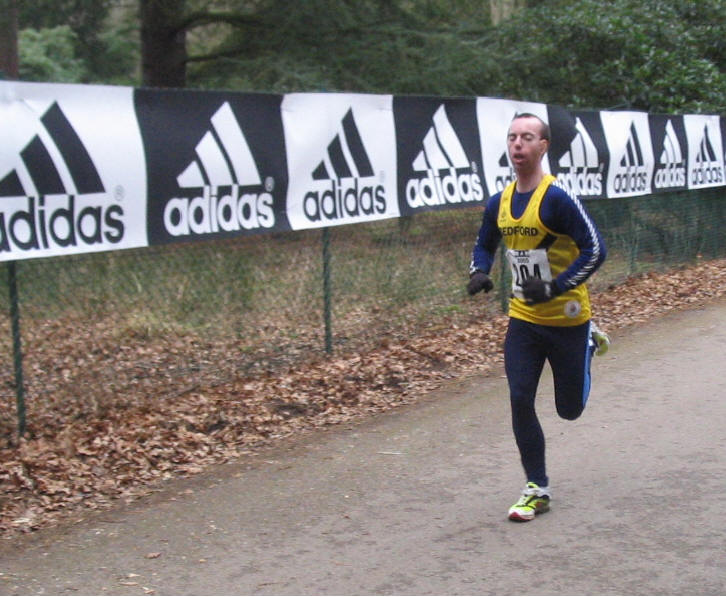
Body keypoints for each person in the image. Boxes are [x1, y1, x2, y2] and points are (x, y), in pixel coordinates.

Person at [467, 112, 609, 522]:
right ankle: (537, 487)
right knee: (519, 397)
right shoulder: (499, 202)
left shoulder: (557, 198)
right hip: (524, 318)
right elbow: (484, 243)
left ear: (543, 146)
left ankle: (588, 343)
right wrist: (478, 270)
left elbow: (596, 250)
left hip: (567, 319)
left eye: (527, 137)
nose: (518, 144)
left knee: (569, 410)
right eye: (513, 137)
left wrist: (554, 287)